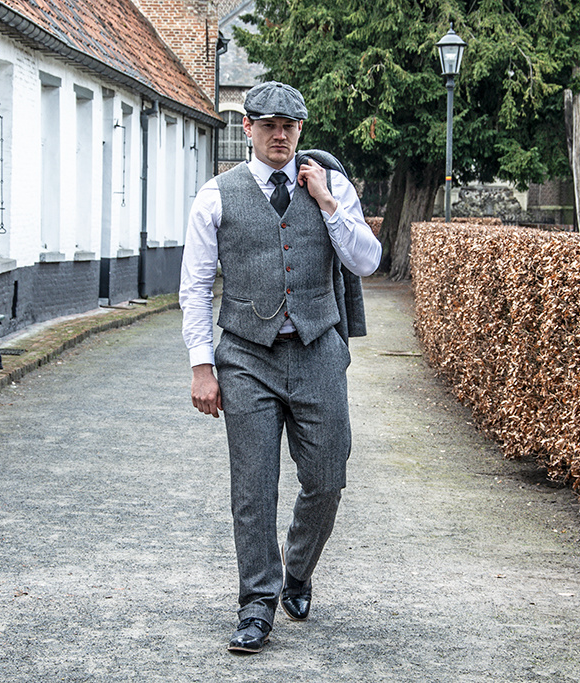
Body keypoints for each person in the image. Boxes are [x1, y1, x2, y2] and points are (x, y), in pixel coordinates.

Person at [179, 81, 382, 654]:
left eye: (289, 126)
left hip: (318, 349)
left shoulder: (331, 183)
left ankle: (297, 569)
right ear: (246, 128)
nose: (279, 135)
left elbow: (367, 261)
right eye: (267, 125)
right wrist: (202, 366)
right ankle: (257, 602)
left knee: (327, 476)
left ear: (300, 130)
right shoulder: (216, 196)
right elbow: (195, 286)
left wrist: (325, 203)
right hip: (246, 356)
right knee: (253, 486)